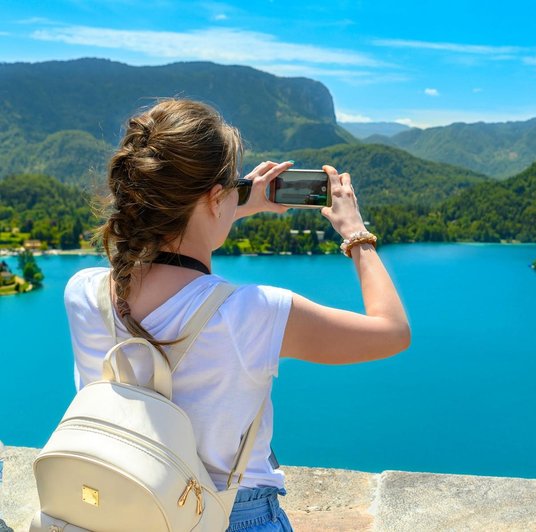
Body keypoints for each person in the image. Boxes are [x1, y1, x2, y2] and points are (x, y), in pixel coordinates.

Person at [64, 99, 410, 531]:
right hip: (229, 515)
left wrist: (230, 200)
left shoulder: (84, 293)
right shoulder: (251, 312)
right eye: (229, 186)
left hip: (116, 505)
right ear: (213, 197)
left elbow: (173, 248)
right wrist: (356, 234)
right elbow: (392, 332)